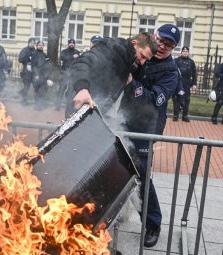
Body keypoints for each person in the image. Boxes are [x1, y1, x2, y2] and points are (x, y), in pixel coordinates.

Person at [69, 25, 167, 248]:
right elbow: (83, 64)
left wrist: (136, 73)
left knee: (137, 173)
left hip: (116, 122)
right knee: (88, 170)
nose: (142, 62)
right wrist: (82, 88)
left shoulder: (135, 61)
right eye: (142, 56)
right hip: (87, 114)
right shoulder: (111, 49)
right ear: (135, 44)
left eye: (146, 60)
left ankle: (151, 225)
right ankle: (84, 221)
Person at [55, 38, 80, 111]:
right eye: (70, 43)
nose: (71, 44)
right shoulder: (64, 51)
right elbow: (62, 58)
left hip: (73, 74)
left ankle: (69, 106)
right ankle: (57, 106)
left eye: (73, 43)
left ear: (74, 44)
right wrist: (72, 57)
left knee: (71, 91)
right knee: (61, 89)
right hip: (64, 73)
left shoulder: (77, 52)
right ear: (68, 44)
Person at [173, 46, 197, 122]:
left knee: (186, 99)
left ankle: (185, 115)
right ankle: (176, 115)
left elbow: (194, 74)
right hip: (178, 83)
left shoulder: (191, 62)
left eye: (187, 51)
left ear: (188, 53)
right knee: (177, 99)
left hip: (187, 84)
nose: (185, 52)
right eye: (184, 51)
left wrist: (194, 84)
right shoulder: (176, 60)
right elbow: (172, 72)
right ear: (181, 52)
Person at [31, 41, 51, 110]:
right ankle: (37, 106)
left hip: (44, 76)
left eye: (42, 45)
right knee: (37, 91)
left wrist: (48, 77)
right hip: (37, 76)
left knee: (43, 91)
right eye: (39, 45)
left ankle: (41, 104)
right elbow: (33, 66)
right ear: (37, 46)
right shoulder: (34, 54)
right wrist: (36, 74)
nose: (41, 46)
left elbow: (47, 66)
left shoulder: (45, 55)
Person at [18, 37, 36, 104]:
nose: (32, 44)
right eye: (31, 43)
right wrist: (28, 61)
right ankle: (24, 101)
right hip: (26, 71)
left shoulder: (35, 51)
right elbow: (20, 59)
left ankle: (37, 101)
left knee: (36, 86)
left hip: (33, 72)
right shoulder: (25, 50)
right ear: (28, 43)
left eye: (33, 43)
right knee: (26, 86)